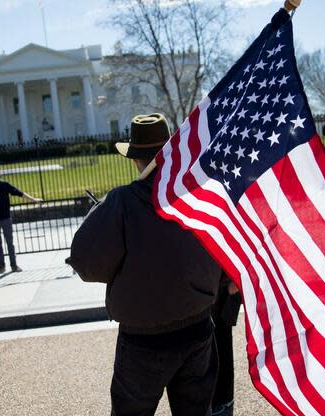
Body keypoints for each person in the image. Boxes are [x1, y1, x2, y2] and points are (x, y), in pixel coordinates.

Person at [68, 113, 223, 416]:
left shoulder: (122, 202)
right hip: (198, 325)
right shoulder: (197, 193)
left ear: (135, 160)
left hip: (144, 339)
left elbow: (86, 263)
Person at [0, 165, 42, 273]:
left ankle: (14, 265)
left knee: (10, 243)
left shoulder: (5, 185)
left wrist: (33, 199)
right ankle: (1, 266)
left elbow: (19, 193)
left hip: (6, 218)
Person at [211, 279, 241, 416]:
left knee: (221, 346)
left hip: (223, 287)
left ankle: (222, 405)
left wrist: (236, 279)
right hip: (203, 285)